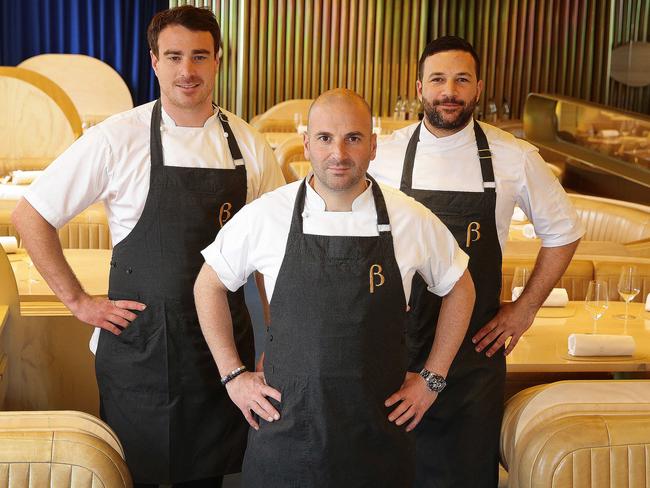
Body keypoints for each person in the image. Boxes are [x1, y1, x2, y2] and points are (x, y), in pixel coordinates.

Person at [11, 5, 284, 486]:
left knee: (208, 477)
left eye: (199, 56)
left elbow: (272, 254)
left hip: (220, 351)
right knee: (136, 474)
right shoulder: (117, 139)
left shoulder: (249, 144)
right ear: (154, 62)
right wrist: (79, 302)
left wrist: (277, 333)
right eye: (174, 56)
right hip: (141, 349)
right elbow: (31, 215)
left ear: (218, 60)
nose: (187, 71)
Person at [194, 89, 476, 487]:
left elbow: (461, 288)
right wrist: (232, 376)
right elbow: (208, 284)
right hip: (285, 436)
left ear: (373, 145)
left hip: (377, 438)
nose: (338, 153)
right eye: (325, 138)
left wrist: (432, 379)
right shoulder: (266, 214)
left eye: (353, 138)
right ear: (307, 143)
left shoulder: (410, 218)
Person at [369, 36, 584, 487]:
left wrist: (524, 310)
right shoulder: (384, 154)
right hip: (392, 348)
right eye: (438, 79)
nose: (449, 91)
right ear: (419, 87)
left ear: (479, 87)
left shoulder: (514, 157)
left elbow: (564, 233)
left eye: (461, 79)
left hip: (473, 355)